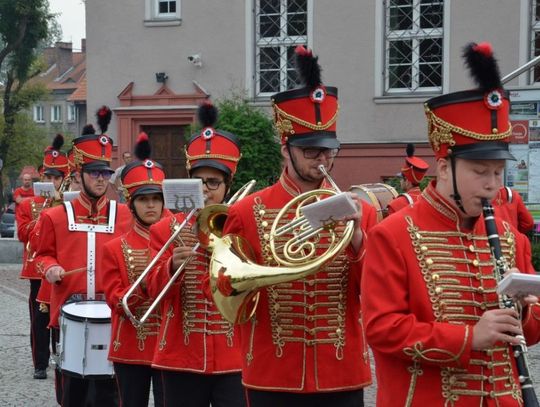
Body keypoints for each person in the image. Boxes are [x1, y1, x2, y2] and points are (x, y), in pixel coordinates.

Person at [361, 42, 540, 406]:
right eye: (479, 172)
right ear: (444, 167)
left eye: (497, 172)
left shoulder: (509, 236)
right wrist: (468, 338)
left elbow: (532, 330)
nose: (492, 183)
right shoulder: (392, 234)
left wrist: (522, 310)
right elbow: (381, 329)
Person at [222, 46, 377, 407]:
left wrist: (357, 241)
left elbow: (373, 294)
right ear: (285, 148)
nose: (322, 159)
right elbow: (226, 291)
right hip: (272, 372)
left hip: (341, 371)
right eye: (310, 151)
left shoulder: (360, 212)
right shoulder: (247, 211)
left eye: (328, 151)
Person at [146, 101, 246, 407]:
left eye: (213, 183)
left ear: (228, 185)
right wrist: (169, 268)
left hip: (235, 356)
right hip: (180, 355)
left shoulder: (244, 226)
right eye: (198, 182)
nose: (205, 191)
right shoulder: (165, 229)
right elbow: (151, 293)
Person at [34, 106, 133, 407]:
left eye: (106, 172)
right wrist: (50, 268)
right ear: (78, 175)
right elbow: (42, 255)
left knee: (109, 394)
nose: (101, 179)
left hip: (113, 315)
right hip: (70, 314)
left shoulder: (126, 215)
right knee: (72, 394)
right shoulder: (55, 216)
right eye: (94, 173)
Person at [102, 132, 166, 407]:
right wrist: (147, 283)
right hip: (129, 345)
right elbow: (115, 300)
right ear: (131, 203)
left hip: (168, 346)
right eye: (144, 200)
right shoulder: (114, 248)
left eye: (156, 198)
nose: (151, 205)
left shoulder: (178, 240)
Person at [16, 134, 68, 380]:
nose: (51, 181)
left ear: (62, 180)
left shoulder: (69, 204)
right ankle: (40, 363)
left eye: (56, 177)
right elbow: (24, 235)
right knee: (39, 317)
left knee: (60, 316)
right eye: (47, 177)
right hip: (37, 270)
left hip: (62, 268)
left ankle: (61, 358)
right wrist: (44, 215)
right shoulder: (28, 205)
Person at [386, 143, 429, 215]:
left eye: (402, 178)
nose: (400, 181)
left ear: (407, 181)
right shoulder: (427, 201)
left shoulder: (396, 205)